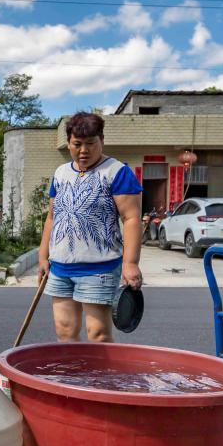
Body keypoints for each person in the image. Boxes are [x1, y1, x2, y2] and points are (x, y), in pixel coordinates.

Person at [38, 112, 143, 342]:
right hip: (60, 268)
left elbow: (131, 218)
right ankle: (73, 368)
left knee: (98, 334)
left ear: (102, 140)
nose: (83, 150)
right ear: (68, 143)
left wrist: (130, 263)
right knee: (65, 332)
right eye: (77, 144)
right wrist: (43, 256)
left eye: (90, 143)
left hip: (99, 268)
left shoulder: (117, 172)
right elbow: (52, 217)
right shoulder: (61, 173)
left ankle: (102, 369)